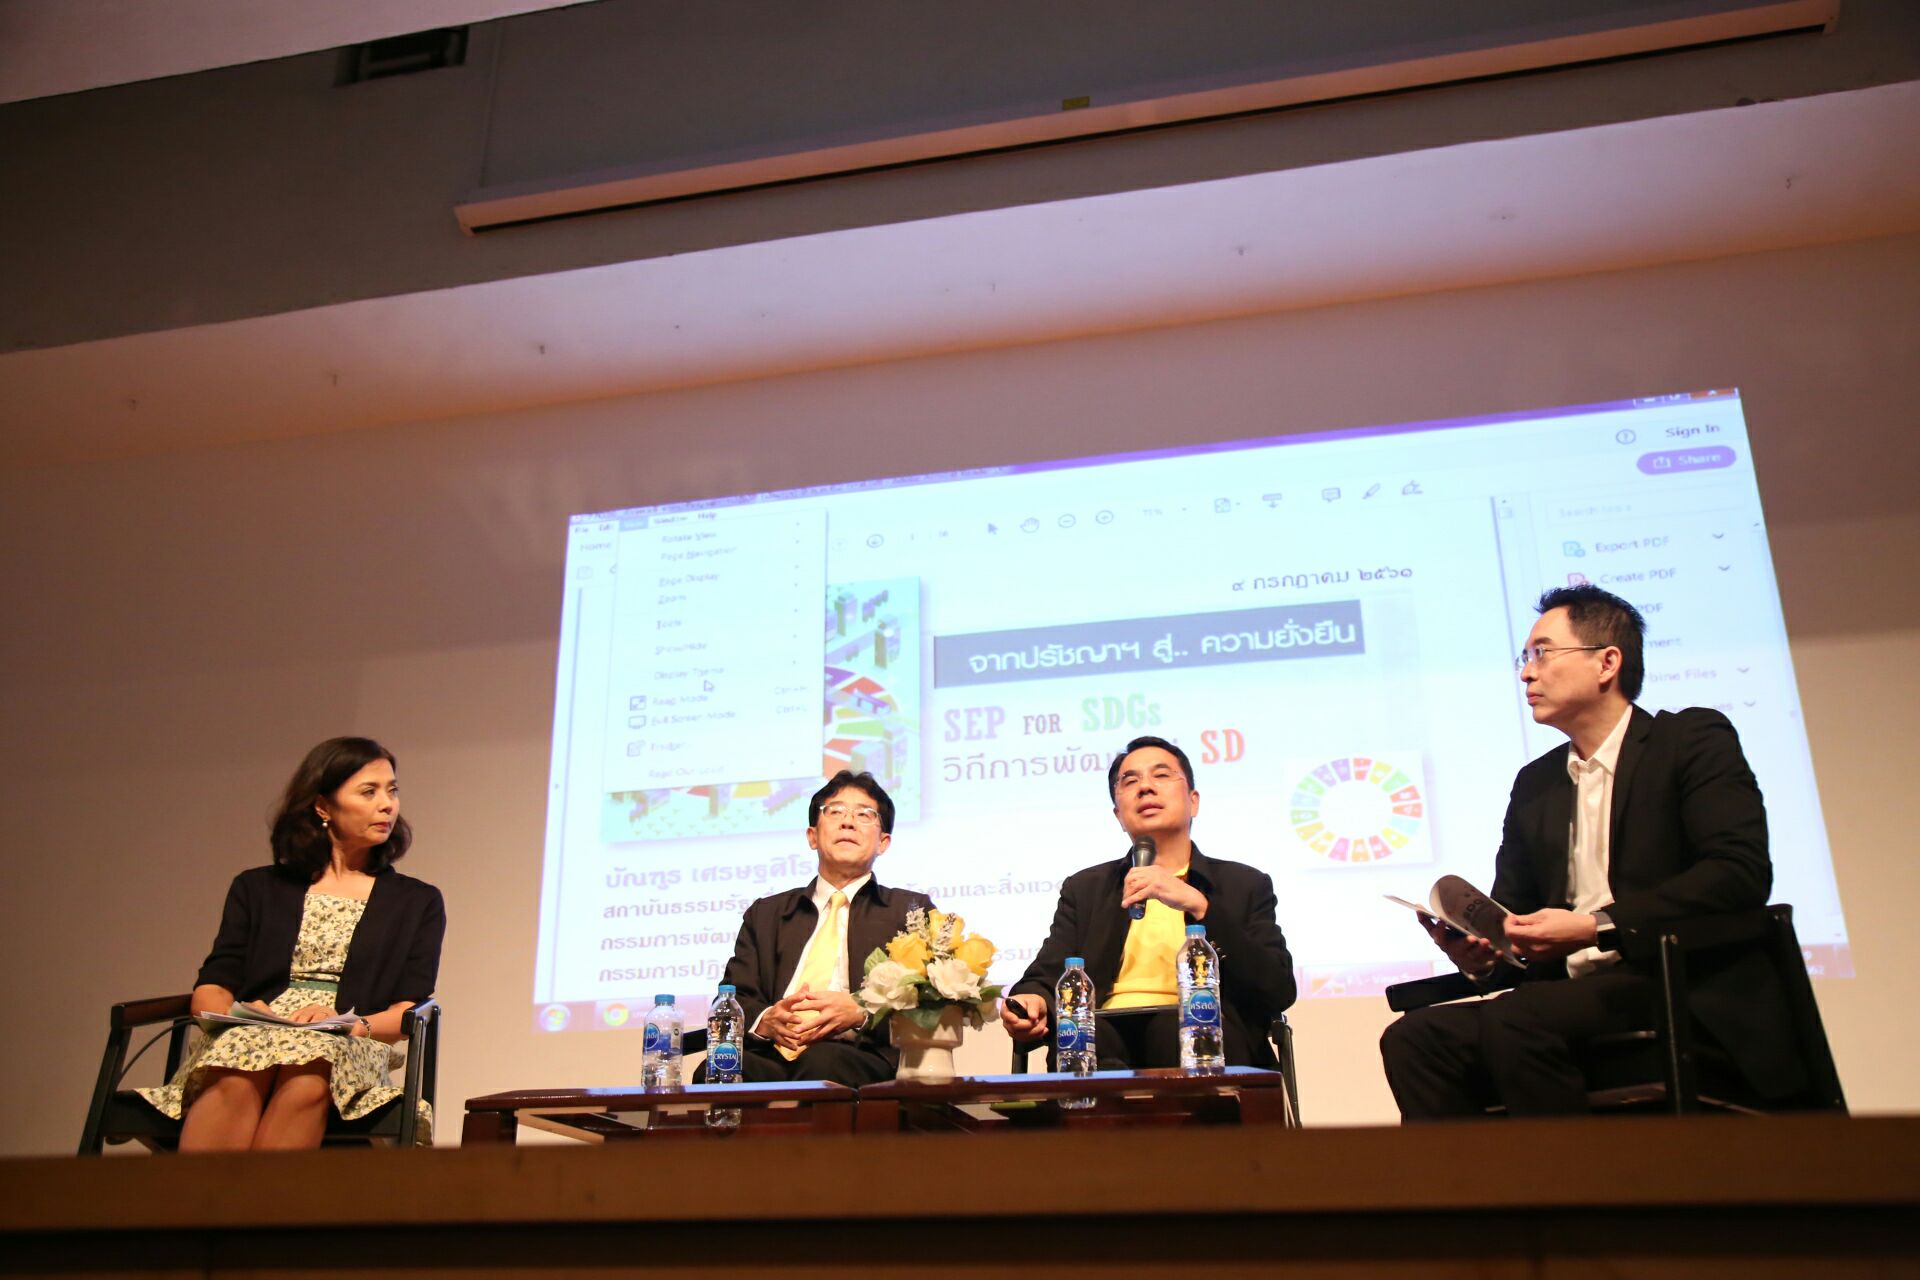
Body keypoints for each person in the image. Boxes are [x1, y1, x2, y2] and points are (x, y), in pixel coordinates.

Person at [1379, 584, 1800, 1119]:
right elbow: (1516, 918)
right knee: (1416, 1039)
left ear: (1607, 663)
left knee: (1519, 1019)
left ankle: (1573, 1173)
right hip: (1566, 999)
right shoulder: (1537, 784)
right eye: (1524, 658)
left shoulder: (1690, 740)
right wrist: (1484, 956)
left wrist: (1596, 926)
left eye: (1542, 653)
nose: (1526, 673)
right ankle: (1483, 1179)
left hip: (1678, 986)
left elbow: (1737, 873)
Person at [137, 737, 445, 1150]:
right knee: (235, 1073)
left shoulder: (417, 901)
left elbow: (407, 1009)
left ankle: (265, 1194)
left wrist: (350, 1025)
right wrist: (241, 1016)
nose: (387, 805)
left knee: (310, 1071)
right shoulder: (257, 888)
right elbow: (213, 985)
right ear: (323, 807)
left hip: (348, 1039)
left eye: (392, 790)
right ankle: (200, 1193)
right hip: (252, 1031)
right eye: (369, 792)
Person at [1002, 735, 1296, 1068]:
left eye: (1161, 775)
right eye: (1130, 781)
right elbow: (1047, 975)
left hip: (1206, 1041)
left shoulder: (1243, 884)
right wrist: (1033, 1000)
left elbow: (1277, 989)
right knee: (1090, 1039)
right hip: (1103, 1036)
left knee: (1168, 1029)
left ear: (1193, 801)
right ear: (1118, 814)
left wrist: (1201, 907)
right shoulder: (1086, 889)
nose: (1145, 787)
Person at [710, 770, 934, 1086]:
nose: (848, 822)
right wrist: (765, 1020)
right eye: (835, 811)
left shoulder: (910, 911)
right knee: (717, 1070)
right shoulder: (766, 914)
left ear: (883, 842)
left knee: (822, 1063)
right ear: (812, 836)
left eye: (864, 815)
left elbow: (930, 1000)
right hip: (771, 1054)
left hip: (859, 1055)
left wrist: (862, 1011)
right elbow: (735, 996)